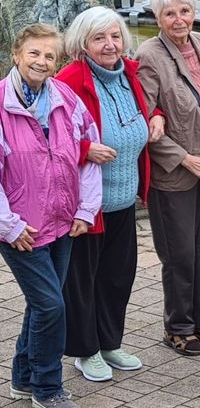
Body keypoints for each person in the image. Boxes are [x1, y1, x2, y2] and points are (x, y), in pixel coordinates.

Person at [56, 6, 164, 382]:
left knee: (118, 276)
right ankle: (85, 351)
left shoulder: (129, 74)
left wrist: (158, 115)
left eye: (115, 36)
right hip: (87, 206)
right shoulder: (68, 80)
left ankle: (110, 342)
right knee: (82, 280)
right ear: (82, 43)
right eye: (99, 38)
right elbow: (47, 139)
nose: (110, 44)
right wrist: (85, 150)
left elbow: (152, 103)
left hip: (123, 199)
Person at [0, 23, 101, 408]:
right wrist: (8, 225)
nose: (41, 62)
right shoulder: (0, 104)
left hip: (62, 221)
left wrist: (85, 209)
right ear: (16, 54)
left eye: (49, 56)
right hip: (20, 229)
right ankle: (47, 389)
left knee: (43, 303)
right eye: (34, 53)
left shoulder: (65, 98)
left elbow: (87, 156)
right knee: (50, 306)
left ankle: (22, 379)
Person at [135, 0, 200, 356]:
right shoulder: (149, 55)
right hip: (176, 171)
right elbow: (144, 120)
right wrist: (183, 158)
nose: (179, 19)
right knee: (179, 253)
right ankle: (178, 327)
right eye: (169, 13)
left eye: (185, 11)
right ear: (157, 17)